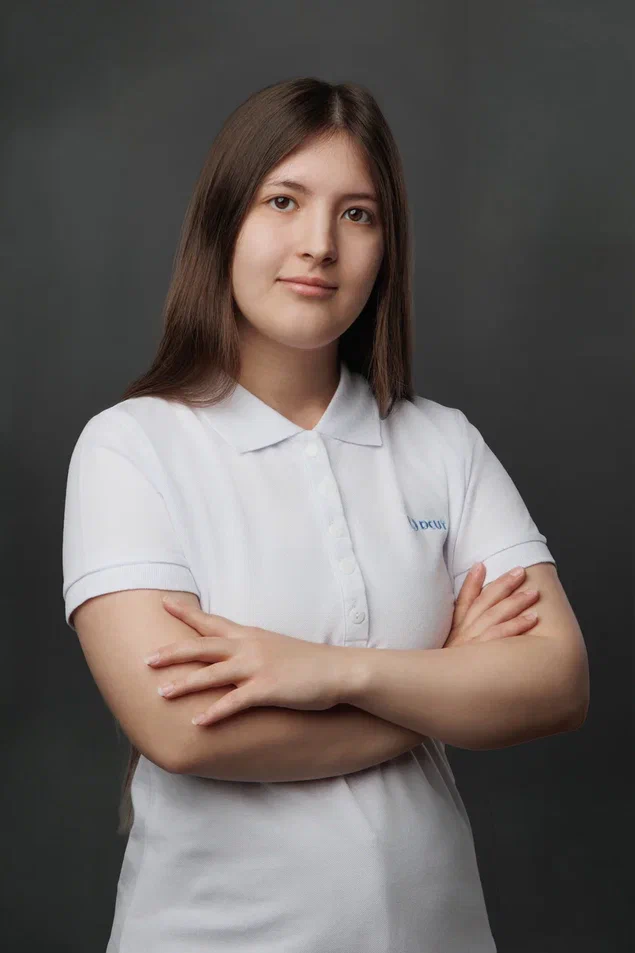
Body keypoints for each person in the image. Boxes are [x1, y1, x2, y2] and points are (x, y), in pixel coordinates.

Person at [62, 77, 587, 953]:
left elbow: (556, 681)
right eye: (283, 201)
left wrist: (329, 670)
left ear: (386, 246)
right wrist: (443, 681)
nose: (318, 244)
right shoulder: (132, 446)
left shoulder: (442, 444)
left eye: (356, 214)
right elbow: (182, 729)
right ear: (223, 223)